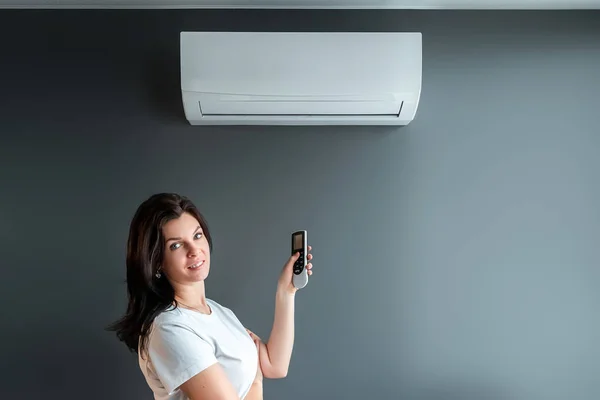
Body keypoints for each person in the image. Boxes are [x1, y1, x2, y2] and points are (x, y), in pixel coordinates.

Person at [107, 193, 314, 400]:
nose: (194, 250)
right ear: (156, 261)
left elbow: (275, 365)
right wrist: (256, 381)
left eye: (197, 236)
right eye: (176, 245)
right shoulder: (170, 328)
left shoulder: (218, 313)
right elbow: (256, 377)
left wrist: (286, 292)